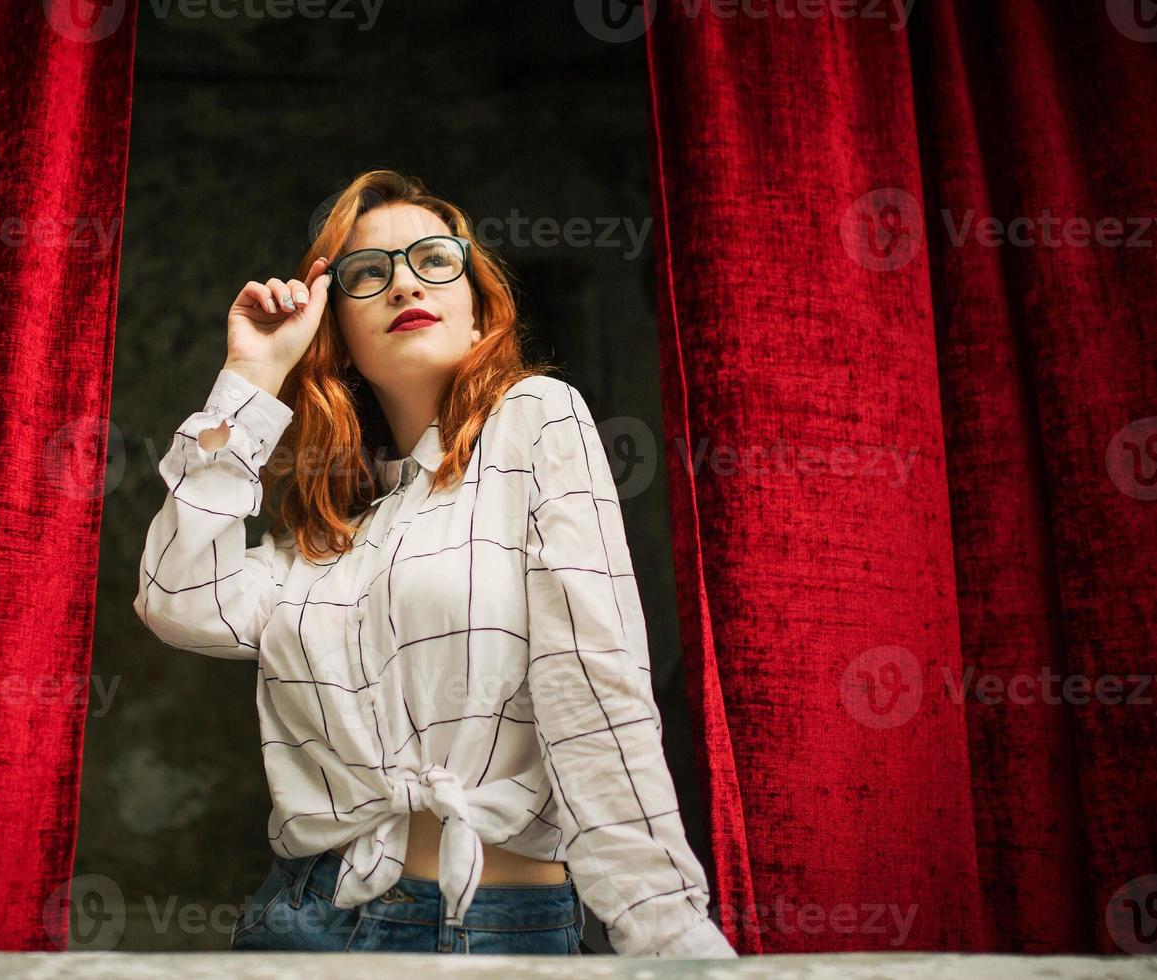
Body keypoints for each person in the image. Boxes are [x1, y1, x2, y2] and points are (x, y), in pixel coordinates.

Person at [133, 168, 737, 958]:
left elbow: (592, 681)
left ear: (478, 301)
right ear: (335, 330)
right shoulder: (327, 536)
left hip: (484, 931)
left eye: (433, 259)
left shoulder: (536, 418)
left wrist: (665, 929)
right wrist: (250, 378)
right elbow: (177, 600)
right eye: (366, 273)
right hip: (302, 921)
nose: (402, 283)